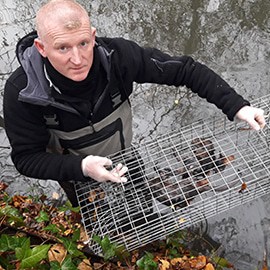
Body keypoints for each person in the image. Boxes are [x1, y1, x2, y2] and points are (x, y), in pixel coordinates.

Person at [3, 0, 265, 207]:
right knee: (94, 219)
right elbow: (26, 158)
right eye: (63, 48)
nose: (78, 58)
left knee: (140, 205)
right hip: (73, 171)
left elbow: (186, 70)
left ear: (93, 36)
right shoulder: (21, 92)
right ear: (41, 47)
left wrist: (238, 106)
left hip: (125, 156)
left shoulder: (119, 57)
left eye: (84, 43)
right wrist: (82, 168)